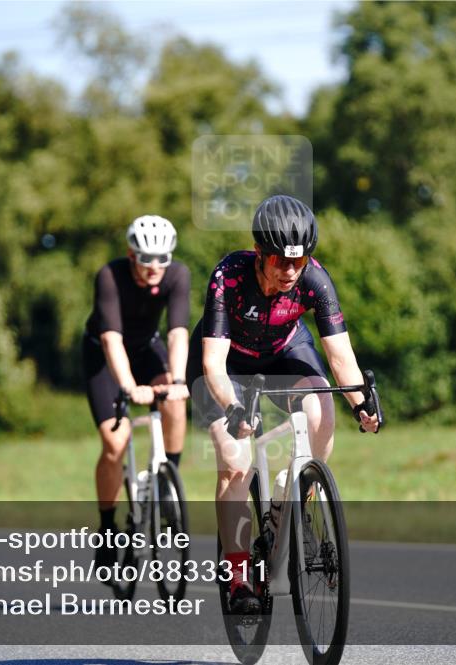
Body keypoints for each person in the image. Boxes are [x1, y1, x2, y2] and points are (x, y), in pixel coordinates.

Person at [186, 194, 380, 614]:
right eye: (281, 261)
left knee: (321, 411)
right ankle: (238, 577)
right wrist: (233, 408)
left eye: (300, 260)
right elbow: (213, 365)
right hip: (227, 364)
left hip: (284, 349)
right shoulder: (229, 276)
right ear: (260, 252)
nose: (291, 271)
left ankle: (289, 496)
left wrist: (361, 402)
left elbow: (341, 356)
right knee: (235, 460)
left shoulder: (314, 277)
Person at [83, 215, 190, 573]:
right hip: (104, 356)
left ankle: (167, 484)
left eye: (163, 258)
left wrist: (176, 379)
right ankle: (108, 527)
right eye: (147, 259)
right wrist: (129, 387)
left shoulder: (178, 275)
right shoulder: (110, 276)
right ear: (131, 254)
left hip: (147, 348)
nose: (156, 267)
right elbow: (111, 341)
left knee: (174, 400)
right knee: (116, 443)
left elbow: (177, 333)